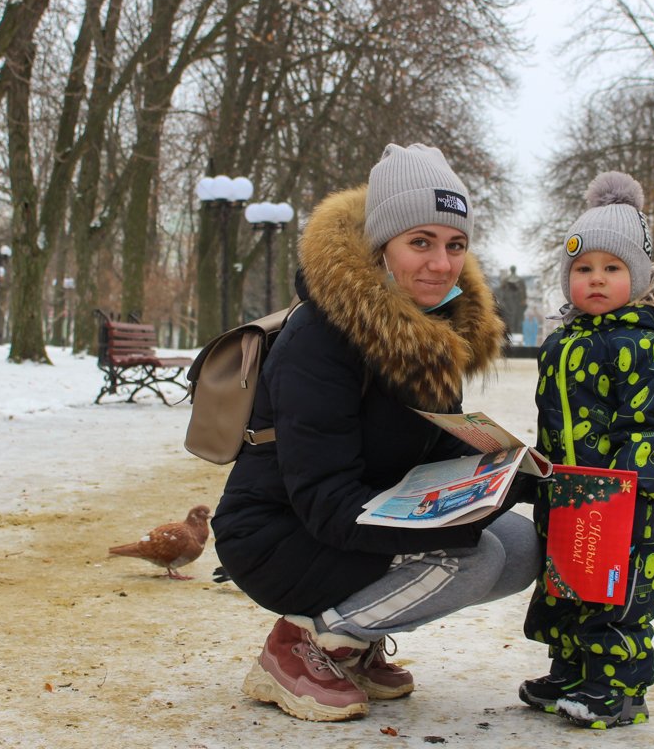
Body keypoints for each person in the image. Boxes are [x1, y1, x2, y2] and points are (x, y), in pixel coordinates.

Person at [211, 143, 540, 723]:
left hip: (351, 521)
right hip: (278, 534)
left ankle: (351, 647)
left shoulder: (430, 331)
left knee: (519, 547)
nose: (442, 264)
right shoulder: (320, 338)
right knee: (471, 558)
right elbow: (323, 502)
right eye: (421, 242)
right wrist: (450, 525)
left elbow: (440, 447)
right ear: (380, 247)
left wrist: (508, 475)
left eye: (455, 245)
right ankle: (298, 646)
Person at [520, 170, 654, 729]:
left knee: (617, 597)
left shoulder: (646, 340)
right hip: (571, 494)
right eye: (583, 269)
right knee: (569, 586)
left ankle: (617, 689)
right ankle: (571, 674)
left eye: (612, 269)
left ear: (638, 275)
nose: (595, 280)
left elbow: (652, 421)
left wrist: (628, 487)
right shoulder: (565, 342)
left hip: (628, 500)